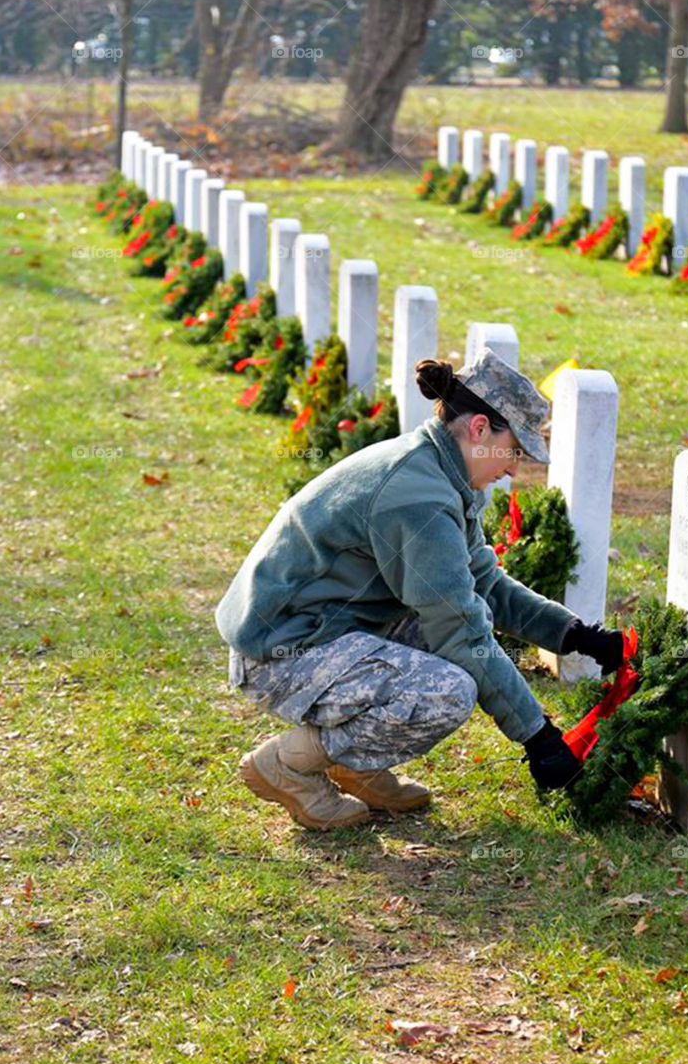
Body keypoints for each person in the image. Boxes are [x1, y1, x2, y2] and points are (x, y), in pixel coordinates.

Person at [215, 347, 624, 831]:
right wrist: (539, 737)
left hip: (324, 625)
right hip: (281, 650)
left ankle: (356, 764)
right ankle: (287, 765)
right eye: (515, 449)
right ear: (478, 429)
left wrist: (576, 635)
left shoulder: (441, 472)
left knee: (458, 637)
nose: (515, 468)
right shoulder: (419, 497)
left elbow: (482, 586)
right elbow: (462, 631)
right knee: (447, 691)